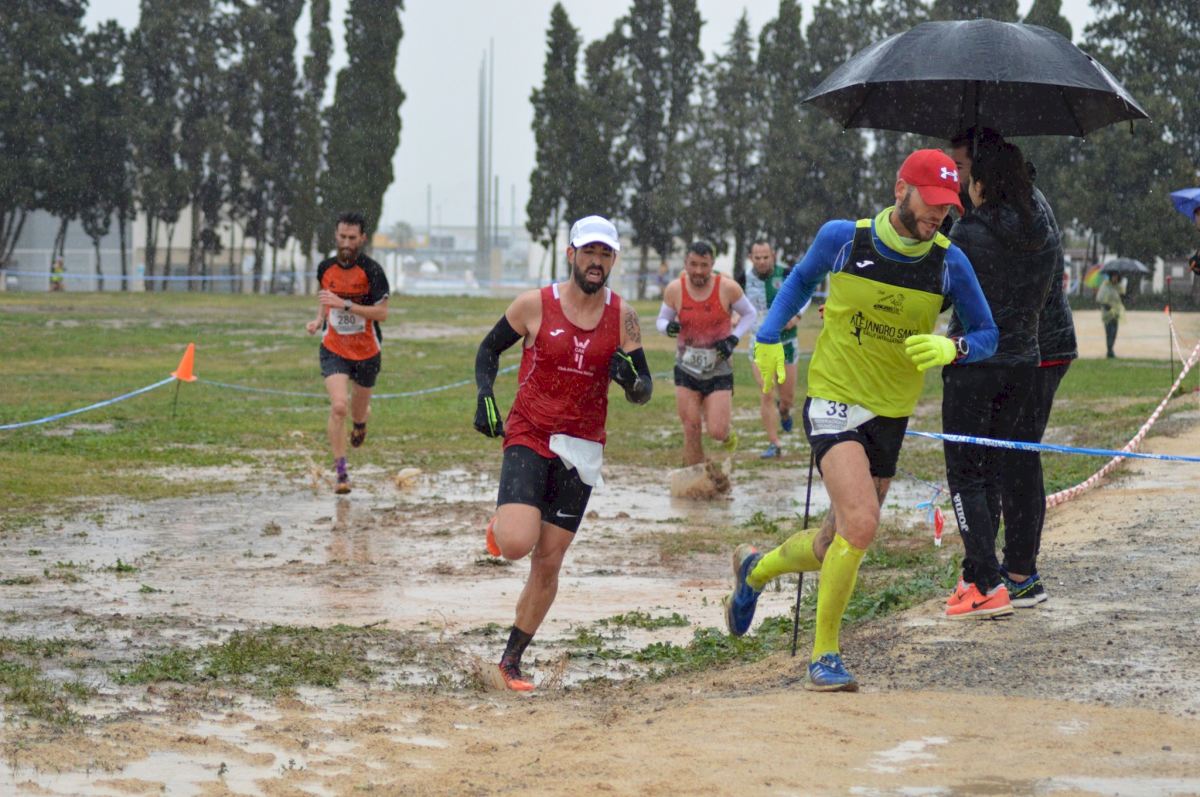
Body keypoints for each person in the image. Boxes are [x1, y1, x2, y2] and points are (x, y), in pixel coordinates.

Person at [724, 149, 997, 691]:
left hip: (890, 414)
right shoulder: (845, 239)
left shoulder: (950, 263)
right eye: (931, 201)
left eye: (948, 205)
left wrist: (954, 347)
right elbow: (800, 281)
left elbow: (988, 333)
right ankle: (824, 656)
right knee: (863, 523)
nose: (939, 214)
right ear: (900, 190)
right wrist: (769, 335)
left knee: (836, 540)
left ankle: (754, 569)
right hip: (834, 399)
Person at [473, 215, 652, 692]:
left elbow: (644, 387)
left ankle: (510, 661)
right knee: (516, 544)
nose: (597, 261)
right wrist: (485, 395)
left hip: (582, 449)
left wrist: (630, 382)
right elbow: (488, 350)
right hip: (530, 434)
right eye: (589, 252)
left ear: (613, 260)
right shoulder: (535, 304)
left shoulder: (624, 316)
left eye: (605, 254)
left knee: (548, 561)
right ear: (571, 254)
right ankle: (505, 525)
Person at [949, 128, 1077, 610]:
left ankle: (1016, 574)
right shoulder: (1016, 207)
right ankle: (1003, 571)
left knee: (1013, 460)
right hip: (1025, 349)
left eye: (960, 168)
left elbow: (962, 287)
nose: (954, 178)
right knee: (1002, 460)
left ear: (983, 174)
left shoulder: (1005, 216)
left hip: (1034, 347)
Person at [306, 212, 390, 494]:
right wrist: (318, 319)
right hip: (334, 348)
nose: (346, 243)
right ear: (336, 235)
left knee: (357, 411)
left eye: (352, 238)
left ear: (362, 239)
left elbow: (382, 313)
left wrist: (346, 305)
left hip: (367, 352)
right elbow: (325, 298)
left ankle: (361, 423)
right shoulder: (325, 268)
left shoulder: (373, 271)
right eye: (342, 236)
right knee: (339, 406)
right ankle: (341, 472)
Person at [656, 241, 757, 465]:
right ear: (685, 263)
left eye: (704, 265)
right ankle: (698, 474)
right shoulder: (675, 289)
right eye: (693, 264)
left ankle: (727, 434)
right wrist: (667, 327)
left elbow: (750, 314)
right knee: (691, 427)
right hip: (686, 367)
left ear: (712, 265)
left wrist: (733, 338)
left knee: (717, 431)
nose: (698, 271)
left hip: (718, 368)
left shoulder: (727, 288)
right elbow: (661, 320)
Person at [744, 240, 808, 458]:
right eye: (757, 258)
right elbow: (735, 302)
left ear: (773, 255)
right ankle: (774, 443)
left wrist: (796, 316)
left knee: (787, 399)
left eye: (766, 257)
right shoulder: (744, 279)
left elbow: (806, 292)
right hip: (760, 344)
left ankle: (785, 411)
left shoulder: (788, 274)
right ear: (750, 258)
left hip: (787, 344)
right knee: (767, 392)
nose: (762, 262)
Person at [1096, 271, 1125, 358]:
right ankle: (1110, 350)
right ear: (1110, 277)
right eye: (1113, 276)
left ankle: (1110, 349)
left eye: (1116, 277)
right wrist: (1107, 306)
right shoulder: (1105, 286)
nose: (1115, 278)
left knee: (1114, 332)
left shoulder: (1119, 287)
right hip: (1107, 314)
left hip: (1116, 313)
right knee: (1109, 332)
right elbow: (1099, 298)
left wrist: (1123, 297)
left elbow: (1121, 298)